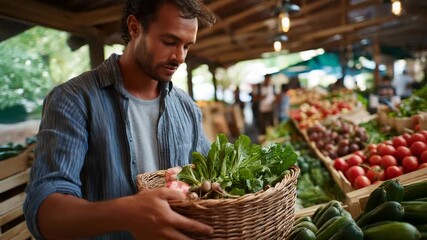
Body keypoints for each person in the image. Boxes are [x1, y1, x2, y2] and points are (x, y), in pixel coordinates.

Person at [23, 1, 216, 239]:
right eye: (169, 42)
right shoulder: (73, 100)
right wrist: (125, 212)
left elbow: (213, 175)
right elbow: (45, 214)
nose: (180, 57)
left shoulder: (186, 107)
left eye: (187, 46)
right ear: (135, 28)